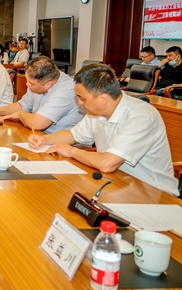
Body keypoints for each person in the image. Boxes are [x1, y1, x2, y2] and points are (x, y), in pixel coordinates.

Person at [28, 63, 178, 196]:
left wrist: (71, 151)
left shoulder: (141, 116)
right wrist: (45, 139)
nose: (79, 103)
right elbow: (73, 135)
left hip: (153, 194)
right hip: (116, 183)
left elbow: (108, 164)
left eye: (82, 98)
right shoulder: (96, 112)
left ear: (103, 99)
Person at [0, 56, 84, 133]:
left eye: (31, 83)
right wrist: (0, 110)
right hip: (38, 136)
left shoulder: (66, 91)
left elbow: (37, 123)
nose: (27, 85)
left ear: (48, 84)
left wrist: (20, 114)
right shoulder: (40, 82)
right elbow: (22, 105)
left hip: (61, 144)